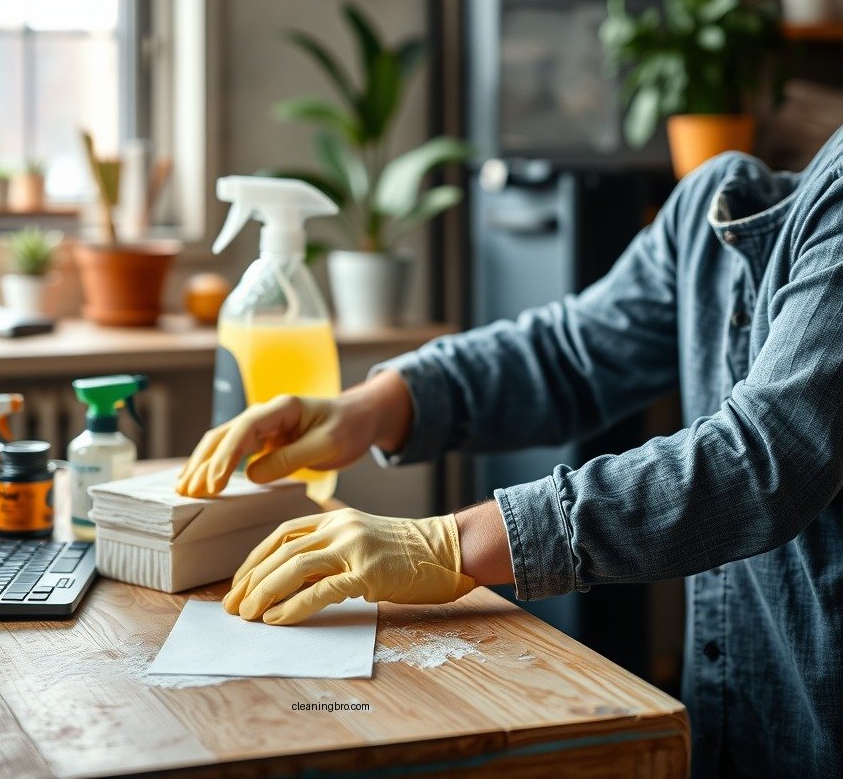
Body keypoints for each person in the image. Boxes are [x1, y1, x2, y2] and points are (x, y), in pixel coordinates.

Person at [176, 138, 843, 779]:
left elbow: (767, 457)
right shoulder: (712, 208)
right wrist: (376, 405)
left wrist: (449, 543)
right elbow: (569, 355)